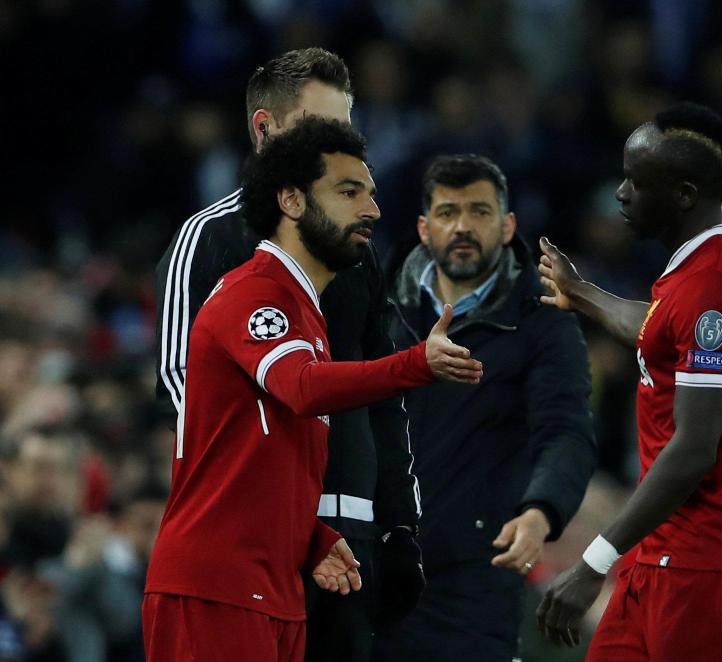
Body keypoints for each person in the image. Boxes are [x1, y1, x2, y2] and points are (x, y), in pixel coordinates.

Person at [143, 117, 482, 662]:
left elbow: (260, 459)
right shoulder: (255, 295)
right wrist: (416, 363)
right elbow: (301, 388)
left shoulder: (307, 314)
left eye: (371, 194)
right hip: (216, 589)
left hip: (272, 585)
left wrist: (312, 535)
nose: (371, 210)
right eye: (349, 192)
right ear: (293, 201)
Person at [535, 103, 722, 661]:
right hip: (663, 549)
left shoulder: (713, 289)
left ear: (683, 194)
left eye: (636, 181)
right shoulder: (707, 270)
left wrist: (593, 563)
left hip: (712, 561)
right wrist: (580, 293)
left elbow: (694, 449)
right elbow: (656, 329)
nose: (621, 194)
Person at [375, 154, 596, 661]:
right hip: (372, 565)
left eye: (479, 212)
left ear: (507, 225)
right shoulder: (380, 309)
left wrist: (541, 513)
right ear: (424, 228)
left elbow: (566, 429)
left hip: (476, 575)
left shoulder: (543, 320)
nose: (463, 227)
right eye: (449, 213)